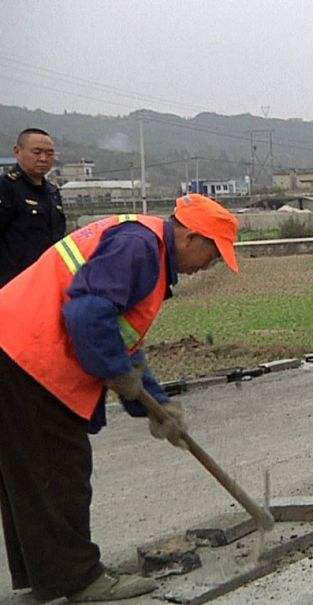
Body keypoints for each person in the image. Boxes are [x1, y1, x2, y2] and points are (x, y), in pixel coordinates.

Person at [0, 194, 239, 601]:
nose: (210, 265)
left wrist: (155, 403)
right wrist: (116, 374)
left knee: (30, 475)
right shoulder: (139, 246)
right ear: (191, 237)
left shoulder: (145, 245)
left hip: (16, 351)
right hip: (27, 356)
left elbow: (120, 337)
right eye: (213, 253)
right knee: (59, 470)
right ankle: (78, 579)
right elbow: (87, 314)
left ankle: (47, 577)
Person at [0, 128, 66, 287]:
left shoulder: (52, 191)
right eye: (36, 152)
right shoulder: (6, 187)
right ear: (17, 151)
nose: (43, 158)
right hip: (13, 283)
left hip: (46, 281)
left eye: (49, 154)